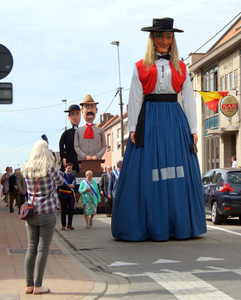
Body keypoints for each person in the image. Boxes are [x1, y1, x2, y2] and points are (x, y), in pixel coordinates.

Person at [111, 17, 207, 242]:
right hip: (150, 121)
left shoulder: (182, 67)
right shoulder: (139, 67)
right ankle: (150, 224)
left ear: (172, 39)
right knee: (149, 172)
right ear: (152, 39)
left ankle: (179, 224)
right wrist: (132, 127)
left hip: (175, 120)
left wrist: (193, 128)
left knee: (177, 171)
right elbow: (135, 99)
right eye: (159, 36)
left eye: (168, 36)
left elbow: (189, 100)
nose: (164, 40)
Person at [23, 140, 63, 295]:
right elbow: (60, 182)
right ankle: (38, 285)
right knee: (43, 249)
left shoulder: (27, 168)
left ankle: (28, 285)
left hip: (31, 213)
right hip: (47, 212)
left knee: (31, 247)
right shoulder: (50, 168)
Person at [74, 95, 106, 161]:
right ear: (82, 110)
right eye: (87, 107)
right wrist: (84, 156)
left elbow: (104, 146)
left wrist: (97, 156)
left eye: (92, 107)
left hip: (96, 163)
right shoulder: (78, 131)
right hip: (82, 163)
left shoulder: (100, 131)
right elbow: (76, 146)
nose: (89, 110)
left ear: (96, 110)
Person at [59, 104, 81, 172]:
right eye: (72, 114)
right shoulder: (66, 133)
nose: (75, 117)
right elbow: (61, 144)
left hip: (80, 159)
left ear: (80, 116)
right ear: (69, 117)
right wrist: (63, 157)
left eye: (77, 114)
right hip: (69, 160)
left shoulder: (82, 132)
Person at [58, 163, 76, 230]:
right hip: (63, 194)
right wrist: (68, 186)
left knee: (71, 209)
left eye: (70, 168)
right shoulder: (61, 175)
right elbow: (59, 184)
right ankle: (63, 225)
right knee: (63, 210)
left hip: (70, 195)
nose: (69, 169)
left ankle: (70, 224)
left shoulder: (72, 175)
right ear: (65, 168)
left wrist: (73, 185)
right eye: (68, 168)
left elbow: (74, 182)